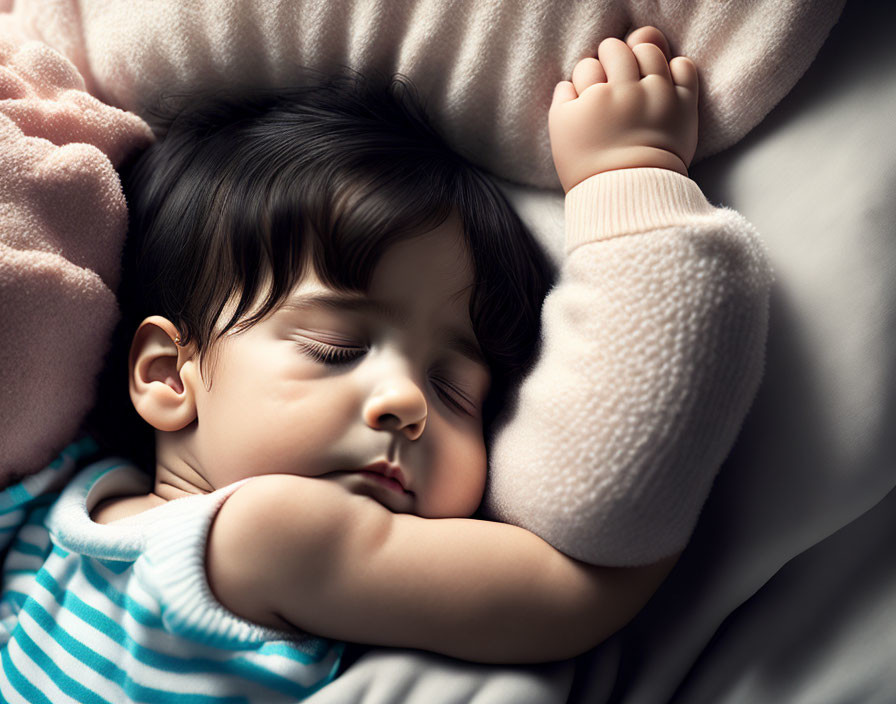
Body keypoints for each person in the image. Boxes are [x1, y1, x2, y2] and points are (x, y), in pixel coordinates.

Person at [1, 26, 764, 701]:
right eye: (338, 349)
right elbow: (585, 587)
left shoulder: (52, 502)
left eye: (456, 389)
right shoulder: (266, 533)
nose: (405, 399)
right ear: (169, 375)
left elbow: (568, 593)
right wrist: (628, 173)